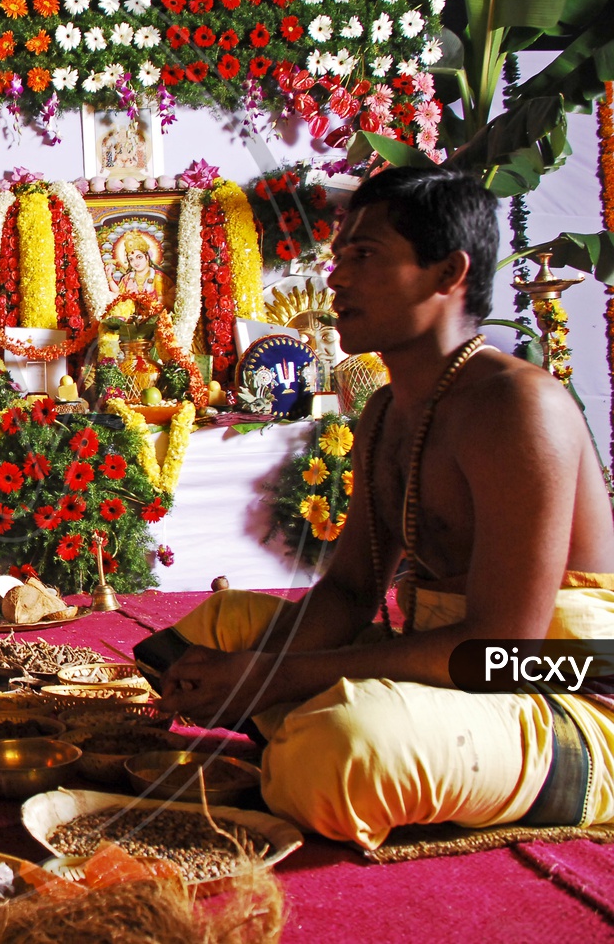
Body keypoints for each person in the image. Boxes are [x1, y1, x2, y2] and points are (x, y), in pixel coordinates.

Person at [137, 167, 614, 850]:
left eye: (364, 256)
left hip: (560, 694)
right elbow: (354, 588)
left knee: (334, 749)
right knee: (211, 632)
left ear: (448, 272)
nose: (334, 280)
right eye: (339, 258)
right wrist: (255, 668)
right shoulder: (388, 410)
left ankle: (318, 731)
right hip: (447, 667)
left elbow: (504, 653)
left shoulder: (516, 405)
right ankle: (322, 722)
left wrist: (280, 676)